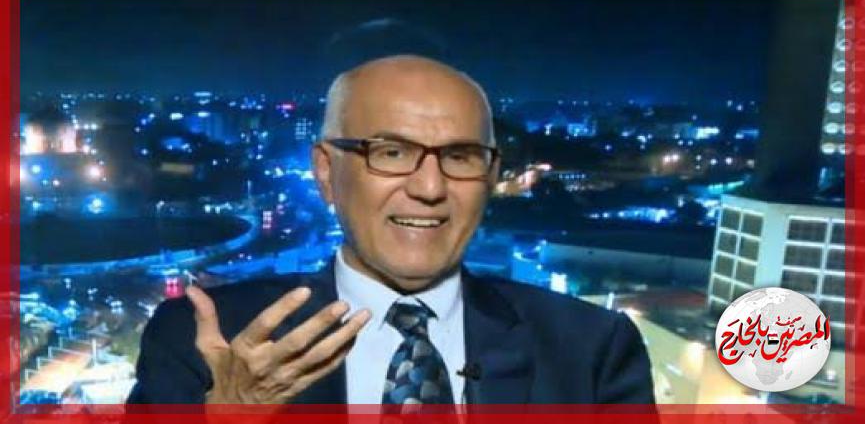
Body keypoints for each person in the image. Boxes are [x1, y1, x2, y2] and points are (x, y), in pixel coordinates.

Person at [126, 55, 655, 407]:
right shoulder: (202, 341)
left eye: (460, 157)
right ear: (326, 172)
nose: (430, 187)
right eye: (392, 153)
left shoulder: (591, 349)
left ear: (491, 176)